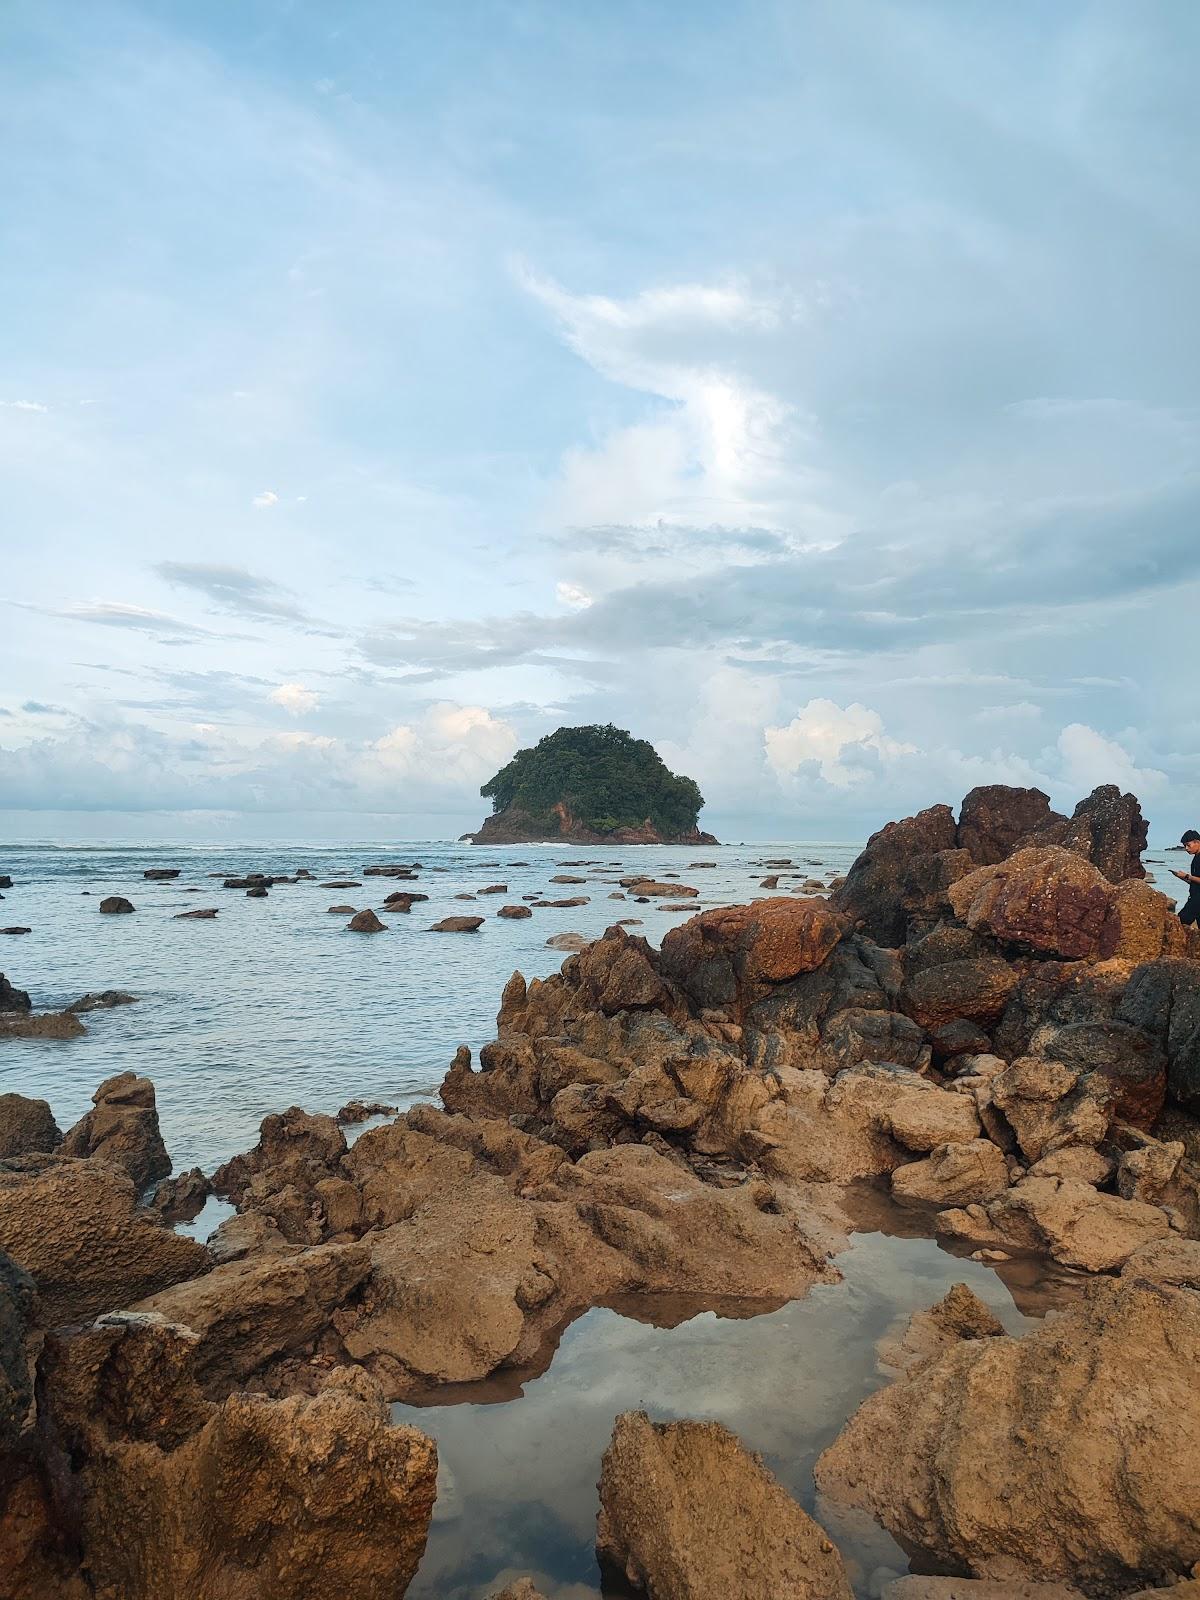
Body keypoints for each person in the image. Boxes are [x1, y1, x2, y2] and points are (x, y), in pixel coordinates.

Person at [1171, 830, 1200, 926]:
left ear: (1197, 842)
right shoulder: (1196, 858)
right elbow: (1195, 882)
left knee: (1179, 923)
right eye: (1184, 846)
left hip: (1197, 900)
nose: (1186, 848)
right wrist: (1182, 877)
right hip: (1194, 898)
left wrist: (1187, 876)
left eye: (1188, 845)